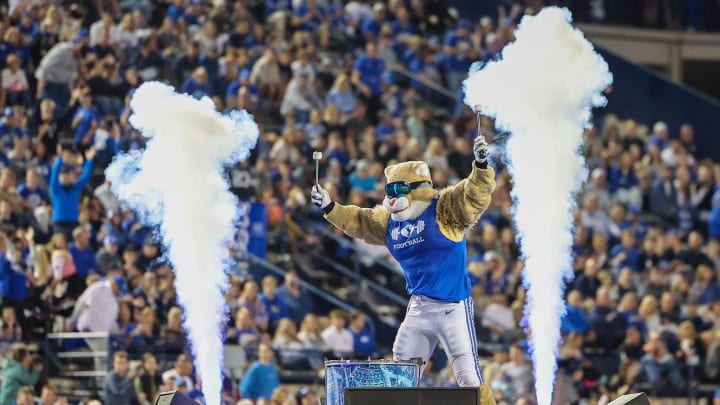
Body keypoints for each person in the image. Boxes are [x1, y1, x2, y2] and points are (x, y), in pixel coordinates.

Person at [311, 133, 496, 399]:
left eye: (400, 189)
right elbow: (360, 220)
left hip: (452, 307)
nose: (393, 198)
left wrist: (480, 166)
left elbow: (472, 195)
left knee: (468, 378)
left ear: (420, 187)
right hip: (419, 307)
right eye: (390, 190)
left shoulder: (443, 208)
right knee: (398, 379)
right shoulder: (390, 222)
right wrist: (330, 206)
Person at [49, 146, 95, 240]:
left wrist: (89, 160)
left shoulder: (75, 188)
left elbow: (85, 177)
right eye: (63, 174)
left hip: (74, 224)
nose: (66, 176)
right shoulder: (56, 189)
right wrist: (59, 159)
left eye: (68, 174)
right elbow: (54, 175)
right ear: (60, 177)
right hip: (59, 224)